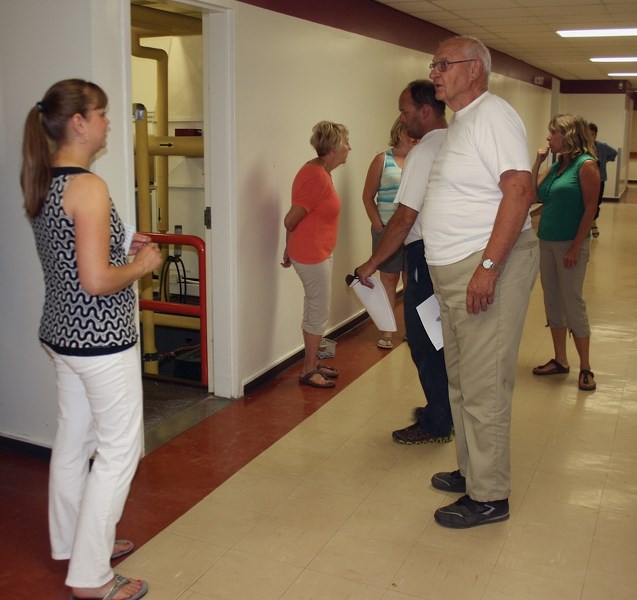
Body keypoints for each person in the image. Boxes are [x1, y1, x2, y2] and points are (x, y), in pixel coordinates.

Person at [20, 79, 162, 600]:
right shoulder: (89, 186)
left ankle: (71, 543)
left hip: (62, 333)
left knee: (74, 441)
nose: (107, 123)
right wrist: (143, 264)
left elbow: (74, 253)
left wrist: (126, 246)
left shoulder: (45, 180)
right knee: (120, 450)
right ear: (78, 123)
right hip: (100, 340)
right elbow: (97, 280)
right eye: (101, 114)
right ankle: (91, 576)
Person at [422, 36, 539, 528]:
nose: (434, 72)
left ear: (474, 70)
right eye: (433, 64)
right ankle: (472, 470)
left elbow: (520, 188)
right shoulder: (462, 123)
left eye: (443, 64)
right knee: (461, 380)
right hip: (455, 270)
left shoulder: (492, 116)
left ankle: (490, 496)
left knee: (484, 384)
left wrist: (488, 268)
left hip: (486, 267)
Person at [355, 80, 452, 445]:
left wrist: (372, 262)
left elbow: (404, 218)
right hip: (451, 254)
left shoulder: (424, 153)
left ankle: (438, 421)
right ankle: (445, 408)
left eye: (405, 110)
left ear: (425, 111)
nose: (402, 117)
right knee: (443, 338)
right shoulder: (456, 141)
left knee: (424, 340)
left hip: (423, 256)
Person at [531, 114, 600, 392]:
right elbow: (534, 195)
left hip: (570, 244)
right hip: (546, 241)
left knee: (573, 302)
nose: (549, 138)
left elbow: (590, 210)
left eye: (554, 133)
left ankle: (585, 367)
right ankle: (560, 359)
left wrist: (575, 247)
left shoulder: (586, 166)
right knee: (552, 301)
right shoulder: (558, 165)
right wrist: (537, 161)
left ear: (569, 135)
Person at [281, 121, 351, 388]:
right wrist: (291, 245)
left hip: (316, 251)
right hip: (311, 255)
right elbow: (291, 219)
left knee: (316, 308)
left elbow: (301, 216)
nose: (349, 147)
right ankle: (308, 370)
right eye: (346, 142)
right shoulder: (317, 177)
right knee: (318, 310)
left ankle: (311, 364)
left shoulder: (320, 170)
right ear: (333, 147)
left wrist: (288, 247)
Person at [361, 117, 416, 349]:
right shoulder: (382, 160)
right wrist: (379, 227)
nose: (413, 136)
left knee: (411, 281)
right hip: (387, 232)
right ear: (398, 132)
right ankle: (386, 330)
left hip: (413, 233)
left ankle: (411, 331)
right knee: (388, 280)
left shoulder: (419, 160)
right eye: (409, 132)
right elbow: (367, 197)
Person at [588, 122, 617, 238]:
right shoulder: (580, 148)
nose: (589, 137)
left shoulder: (602, 147)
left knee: (596, 203)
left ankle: (593, 221)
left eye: (592, 134)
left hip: (600, 179)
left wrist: (605, 160)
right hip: (584, 180)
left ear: (595, 135)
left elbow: (614, 152)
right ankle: (591, 224)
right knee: (585, 203)